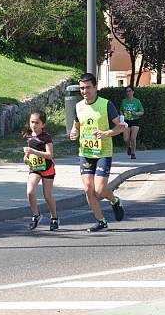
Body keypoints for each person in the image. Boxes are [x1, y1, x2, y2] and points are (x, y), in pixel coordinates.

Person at [70, 73, 126, 232]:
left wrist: (107, 133)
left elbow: (121, 126)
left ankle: (115, 201)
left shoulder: (106, 104)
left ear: (95, 87)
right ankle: (101, 221)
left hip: (103, 152)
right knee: (88, 189)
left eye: (88, 87)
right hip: (86, 152)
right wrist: (74, 133)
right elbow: (76, 127)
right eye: (82, 88)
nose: (84, 91)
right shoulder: (78, 106)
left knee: (100, 190)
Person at [22, 110, 59, 231]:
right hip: (35, 168)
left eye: (37, 123)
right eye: (32, 122)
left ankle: (54, 218)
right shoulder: (29, 135)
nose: (33, 125)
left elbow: (50, 155)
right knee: (30, 192)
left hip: (47, 168)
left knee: (47, 196)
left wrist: (34, 152)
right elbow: (28, 152)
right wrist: (26, 158)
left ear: (43, 124)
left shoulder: (46, 137)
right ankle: (35, 215)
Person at [120, 86, 144, 159]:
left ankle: (133, 153)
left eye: (130, 91)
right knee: (126, 139)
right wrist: (121, 115)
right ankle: (129, 147)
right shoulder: (123, 101)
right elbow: (121, 110)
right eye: (127, 91)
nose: (128, 93)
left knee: (133, 138)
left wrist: (136, 113)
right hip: (126, 121)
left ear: (133, 92)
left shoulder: (137, 101)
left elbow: (142, 112)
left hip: (135, 120)